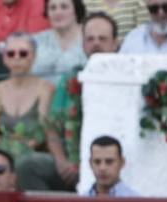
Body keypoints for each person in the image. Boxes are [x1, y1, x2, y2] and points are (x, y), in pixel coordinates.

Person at [0, 31, 61, 190]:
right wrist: (3, 149)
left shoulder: (45, 88)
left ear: (34, 57)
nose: (16, 57)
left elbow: (45, 129)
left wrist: (21, 146)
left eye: (23, 53)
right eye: (11, 53)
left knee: (23, 164)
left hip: (33, 152)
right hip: (1, 151)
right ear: (4, 58)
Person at [42, 10, 113, 188]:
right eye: (90, 39)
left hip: (111, 164)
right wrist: (61, 161)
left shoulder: (127, 79)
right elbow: (52, 127)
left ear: (115, 44)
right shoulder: (70, 78)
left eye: (102, 39)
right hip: (70, 161)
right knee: (29, 166)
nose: (96, 43)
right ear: (82, 45)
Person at [31, 0, 85, 78]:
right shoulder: (35, 41)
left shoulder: (91, 38)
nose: (58, 12)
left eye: (64, 7)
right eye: (53, 8)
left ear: (76, 10)